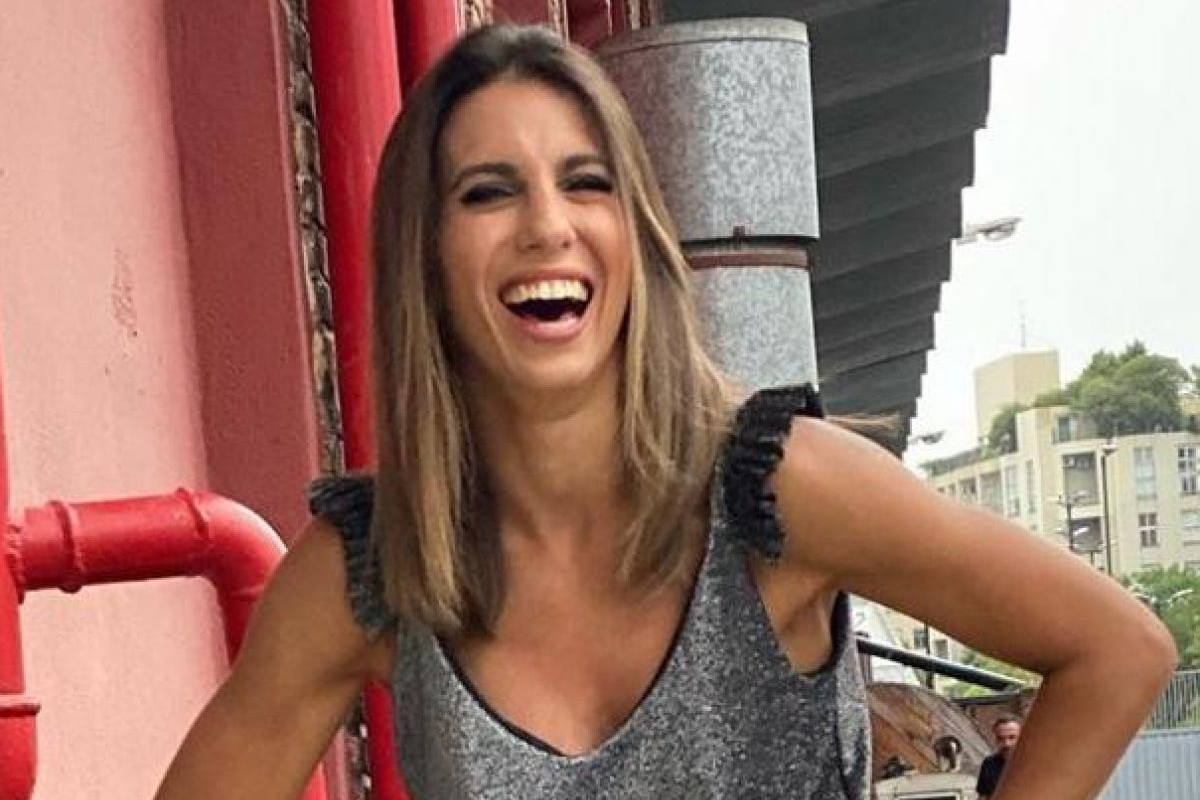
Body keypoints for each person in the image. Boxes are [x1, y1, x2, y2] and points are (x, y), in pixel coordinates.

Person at [154, 24, 1175, 800]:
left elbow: (1117, 649)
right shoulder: (372, 568)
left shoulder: (778, 492)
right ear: (425, 255)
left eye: (585, 182)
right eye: (488, 192)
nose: (547, 226)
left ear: (634, 232)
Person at [976, 714, 1022, 799]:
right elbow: (983, 796)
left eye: (1012, 737)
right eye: (1000, 738)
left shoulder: (1033, 763)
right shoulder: (989, 764)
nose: (1006, 744)